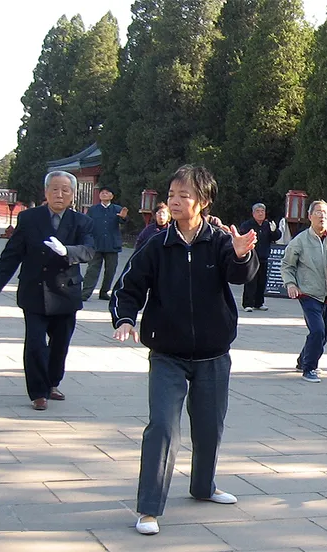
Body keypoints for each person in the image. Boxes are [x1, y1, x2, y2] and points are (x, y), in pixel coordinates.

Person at [110, 165, 259, 536]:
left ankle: (203, 487)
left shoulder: (220, 241)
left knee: (209, 428)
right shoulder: (156, 245)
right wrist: (125, 319)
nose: (175, 201)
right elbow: (128, 287)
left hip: (212, 353)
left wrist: (241, 254)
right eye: (172, 194)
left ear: (203, 201)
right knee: (162, 427)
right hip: (167, 354)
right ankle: (148, 508)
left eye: (184, 195)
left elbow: (241, 275)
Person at [0, 171, 95, 410]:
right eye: (54, 189)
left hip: (66, 293)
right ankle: (38, 392)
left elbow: (89, 250)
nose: (59, 194)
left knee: (60, 344)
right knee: (35, 343)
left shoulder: (81, 222)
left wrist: (68, 252)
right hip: (35, 290)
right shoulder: (29, 218)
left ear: (73, 195)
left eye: (65, 190)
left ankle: (53, 382)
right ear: (45, 192)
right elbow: (12, 253)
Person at [280, 200, 327, 383]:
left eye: (326, 213)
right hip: (308, 293)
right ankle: (309, 368)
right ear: (310, 216)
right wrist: (290, 284)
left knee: (324, 334)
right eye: (319, 212)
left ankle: (303, 359)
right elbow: (287, 265)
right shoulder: (300, 241)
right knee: (317, 331)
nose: (322, 216)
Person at [82, 186, 128, 301]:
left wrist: (124, 217)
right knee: (92, 269)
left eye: (107, 193)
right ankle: (85, 293)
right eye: (102, 192)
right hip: (96, 244)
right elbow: (87, 225)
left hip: (112, 244)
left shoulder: (117, 209)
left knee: (110, 270)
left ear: (112, 196)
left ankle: (104, 292)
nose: (104, 194)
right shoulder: (93, 210)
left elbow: (123, 221)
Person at [238, 203, 282, 312]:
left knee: (262, 281)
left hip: (264, 257)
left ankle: (259, 303)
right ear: (253, 213)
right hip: (251, 257)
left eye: (262, 211)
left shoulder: (268, 225)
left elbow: (277, 236)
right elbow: (242, 236)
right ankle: (248, 304)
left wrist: (274, 230)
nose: (260, 213)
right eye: (258, 211)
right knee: (251, 281)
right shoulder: (247, 225)